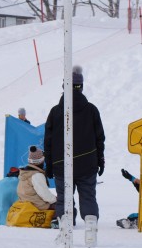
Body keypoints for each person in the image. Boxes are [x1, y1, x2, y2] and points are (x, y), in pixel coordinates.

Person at [44, 65, 105, 228]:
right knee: (88, 196)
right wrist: (100, 160)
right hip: (88, 163)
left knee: (64, 198)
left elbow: (48, 141)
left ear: (65, 87)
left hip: (61, 164)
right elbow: (100, 138)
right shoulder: (91, 110)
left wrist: (49, 165)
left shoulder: (55, 112)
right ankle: (91, 226)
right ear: (81, 87)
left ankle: (65, 225)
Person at [17, 146, 57, 210]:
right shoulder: (36, 175)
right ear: (41, 161)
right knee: (61, 207)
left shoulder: (25, 172)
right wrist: (55, 199)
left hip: (26, 203)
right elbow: (44, 194)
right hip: (36, 205)